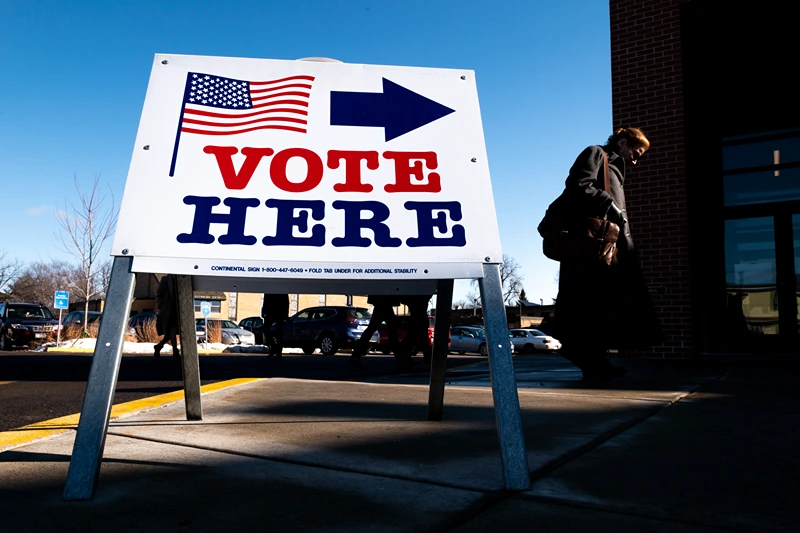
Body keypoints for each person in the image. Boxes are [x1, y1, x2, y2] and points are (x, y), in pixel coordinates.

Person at [553, 127, 662, 380]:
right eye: (635, 152)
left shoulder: (615, 171)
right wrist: (609, 204)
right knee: (586, 304)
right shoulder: (596, 154)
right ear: (622, 143)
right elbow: (578, 186)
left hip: (610, 250)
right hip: (590, 248)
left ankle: (597, 362)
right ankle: (584, 356)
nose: (636, 159)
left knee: (600, 307)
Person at [349, 294, 401, 369]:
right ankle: (402, 359)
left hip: (380, 302)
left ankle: (355, 356)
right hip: (385, 303)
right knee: (392, 332)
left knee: (371, 330)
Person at [397, 294, 433, 370]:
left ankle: (405, 358)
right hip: (421, 318)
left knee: (411, 339)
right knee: (422, 340)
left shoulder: (412, 296)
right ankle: (428, 361)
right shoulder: (423, 295)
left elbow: (403, 299)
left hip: (415, 318)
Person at [154, 274, 180, 359]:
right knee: (171, 330)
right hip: (167, 309)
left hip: (177, 309)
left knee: (169, 333)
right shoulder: (165, 279)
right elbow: (158, 293)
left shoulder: (181, 279)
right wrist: (161, 305)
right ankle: (175, 350)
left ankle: (159, 346)